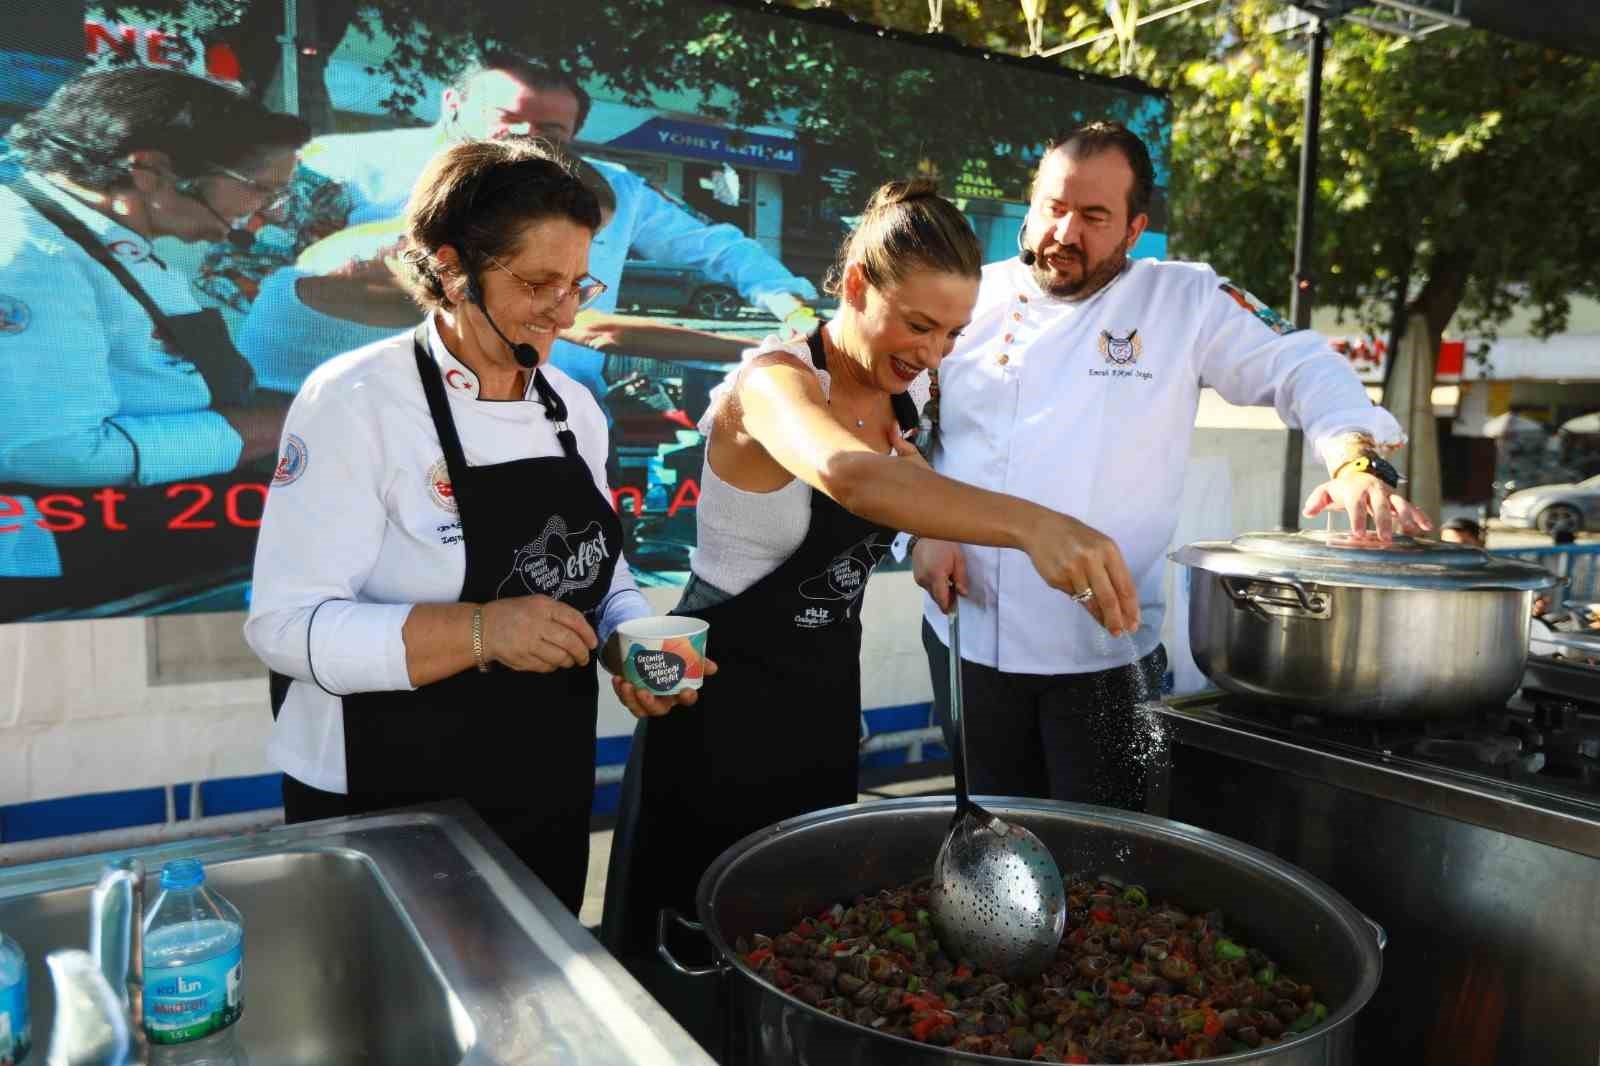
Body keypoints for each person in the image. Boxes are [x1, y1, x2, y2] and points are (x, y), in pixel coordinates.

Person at [601, 180, 1140, 1018]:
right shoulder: (774, 385)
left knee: (806, 943)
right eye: (918, 325)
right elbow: (851, 478)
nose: (932, 353)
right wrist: (1035, 528)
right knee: (694, 951)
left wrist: (932, 535)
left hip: (819, 703)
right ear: (854, 285)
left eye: (952, 333)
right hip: (715, 706)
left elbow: (900, 477)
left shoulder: (903, 395)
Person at [243, 139, 708, 915]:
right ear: (452, 268)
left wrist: (631, 640)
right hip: (388, 791)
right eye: (537, 284)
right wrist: (482, 632)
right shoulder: (356, 400)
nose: (566, 313)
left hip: (542, 780)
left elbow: (602, 575)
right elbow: (285, 628)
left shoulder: (573, 408)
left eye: (577, 284)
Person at [911, 121, 1432, 810]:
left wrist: (1354, 456)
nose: (1064, 233)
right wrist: (918, 531)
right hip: (964, 631)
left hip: (1105, 653)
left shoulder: (1186, 300)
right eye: (1052, 207)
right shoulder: (966, 296)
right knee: (985, 839)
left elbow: (1301, 362)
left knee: (1103, 857)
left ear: (1134, 230)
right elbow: (894, 424)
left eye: (1094, 217)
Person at [206, 52, 815, 395]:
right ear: (453, 105)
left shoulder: (614, 187)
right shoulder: (340, 168)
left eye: (551, 132)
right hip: (355, 405)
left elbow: (716, 249)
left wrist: (794, 313)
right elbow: (593, 329)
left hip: (557, 413)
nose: (528, 143)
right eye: (508, 121)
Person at [0, 68, 307, 621]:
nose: (267, 211)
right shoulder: (27, 256)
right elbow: (54, 450)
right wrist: (279, 427)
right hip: (68, 566)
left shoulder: (106, 237)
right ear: (149, 172)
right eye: (258, 187)